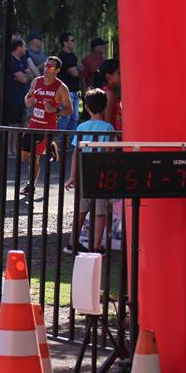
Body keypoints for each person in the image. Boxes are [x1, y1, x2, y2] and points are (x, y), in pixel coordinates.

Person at [64, 89, 115, 254]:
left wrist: (72, 176)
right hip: (101, 174)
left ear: (86, 107)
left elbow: (75, 153)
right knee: (100, 211)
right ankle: (96, 245)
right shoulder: (108, 128)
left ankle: (72, 243)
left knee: (81, 209)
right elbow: (110, 153)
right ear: (105, 106)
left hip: (83, 173)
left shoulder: (81, 127)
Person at [20, 56, 73, 195]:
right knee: (23, 156)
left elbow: (70, 109)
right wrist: (28, 99)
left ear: (57, 70)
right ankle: (51, 147)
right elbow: (28, 97)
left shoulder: (61, 88)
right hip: (33, 124)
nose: (46, 68)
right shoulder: (36, 81)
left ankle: (30, 185)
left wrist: (55, 110)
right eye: (45, 65)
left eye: (50, 66)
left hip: (47, 127)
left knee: (33, 158)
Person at [56, 32, 82, 132]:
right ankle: (61, 142)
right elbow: (75, 72)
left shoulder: (72, 56)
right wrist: (77, 68)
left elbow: (80, 68)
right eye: (72, 40)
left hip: (74, 91)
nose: (74, 42)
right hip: (66, 92)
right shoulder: (62, 56)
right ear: (65, 43)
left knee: (74, 118)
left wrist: (77, 68)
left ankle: (71, 144)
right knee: (65, 117)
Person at [9, 39, 30, 154]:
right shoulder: (11, 61)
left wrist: (23, 76)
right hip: (12, 96)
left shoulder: (21, 60)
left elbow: (27, 75)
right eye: (24, 46)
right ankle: (7, 149)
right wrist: (23, 77)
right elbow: (23, 78)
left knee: (17, 123)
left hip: (21, 95)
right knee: (10, 123)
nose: (25, 49)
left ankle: (14, 149)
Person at [96, 59, 121, 130]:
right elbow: (108, 121)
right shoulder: (109, 94)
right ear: (108, 76)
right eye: (119, 73)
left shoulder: (109, 92)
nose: (122, 75)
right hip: (112, 136)